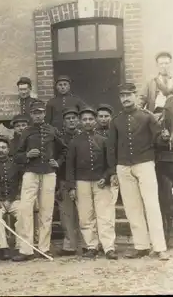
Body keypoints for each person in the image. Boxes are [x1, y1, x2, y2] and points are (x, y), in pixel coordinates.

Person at [107, 83, 169, 260]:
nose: (125, 99)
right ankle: (141, 246)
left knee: (151, 205)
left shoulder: (147, 117)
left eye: (129, 95)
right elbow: (111, 147)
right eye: (122, 96)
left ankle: (159, 247)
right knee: (132, 207)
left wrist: (164, 137)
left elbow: (159, 140)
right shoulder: (116, 120)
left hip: (144, 164)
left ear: (135, 95)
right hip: (123, 167)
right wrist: (113, 170)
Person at [12, 100, 67, 261]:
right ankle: (26, 249)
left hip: (49, 173)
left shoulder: (52, 130)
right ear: (31, 114)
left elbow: (64, 149)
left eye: (40, 112)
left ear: (44, 114)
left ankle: (44, 248)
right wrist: (27, 156)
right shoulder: (26, 132)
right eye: (35, 113)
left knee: (46, 210)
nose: (38, 115)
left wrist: (58, 162)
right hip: (31, 173)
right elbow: (17, 156)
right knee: (25, 209)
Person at [66, 107, 118, 260]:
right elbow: (70, 166)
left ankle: (108, 247)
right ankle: (91, 246)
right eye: (84, 120)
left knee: (105, 215)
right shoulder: (75, 142)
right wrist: (71, 186)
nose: (87, 122)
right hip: (81, 182)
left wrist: (106, 177)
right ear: (80, 122)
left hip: (101, 182)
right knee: (85, 216)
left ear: (95, 120)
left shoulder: (103, 140)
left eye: (90, 119)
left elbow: (111, 162)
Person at [56, 108, 86, 256]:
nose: (71, 120)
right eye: (68, 118)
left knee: (85, 213)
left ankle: (87, 244)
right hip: (64, 179)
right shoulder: (59, 138)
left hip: (82, 179)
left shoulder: (84, 136)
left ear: (78, 120)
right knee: (66, 214)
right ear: (64, 121)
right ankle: (70, 246)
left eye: (74, 118)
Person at [0, 137, 23, 260]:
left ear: (8, 150)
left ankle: (21, 247)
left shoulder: (16, 165)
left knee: (22, 213)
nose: (1, 150)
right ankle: (3, 248)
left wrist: (18, 195)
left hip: (14, 200)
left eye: (3, 148)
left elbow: (23, 182)